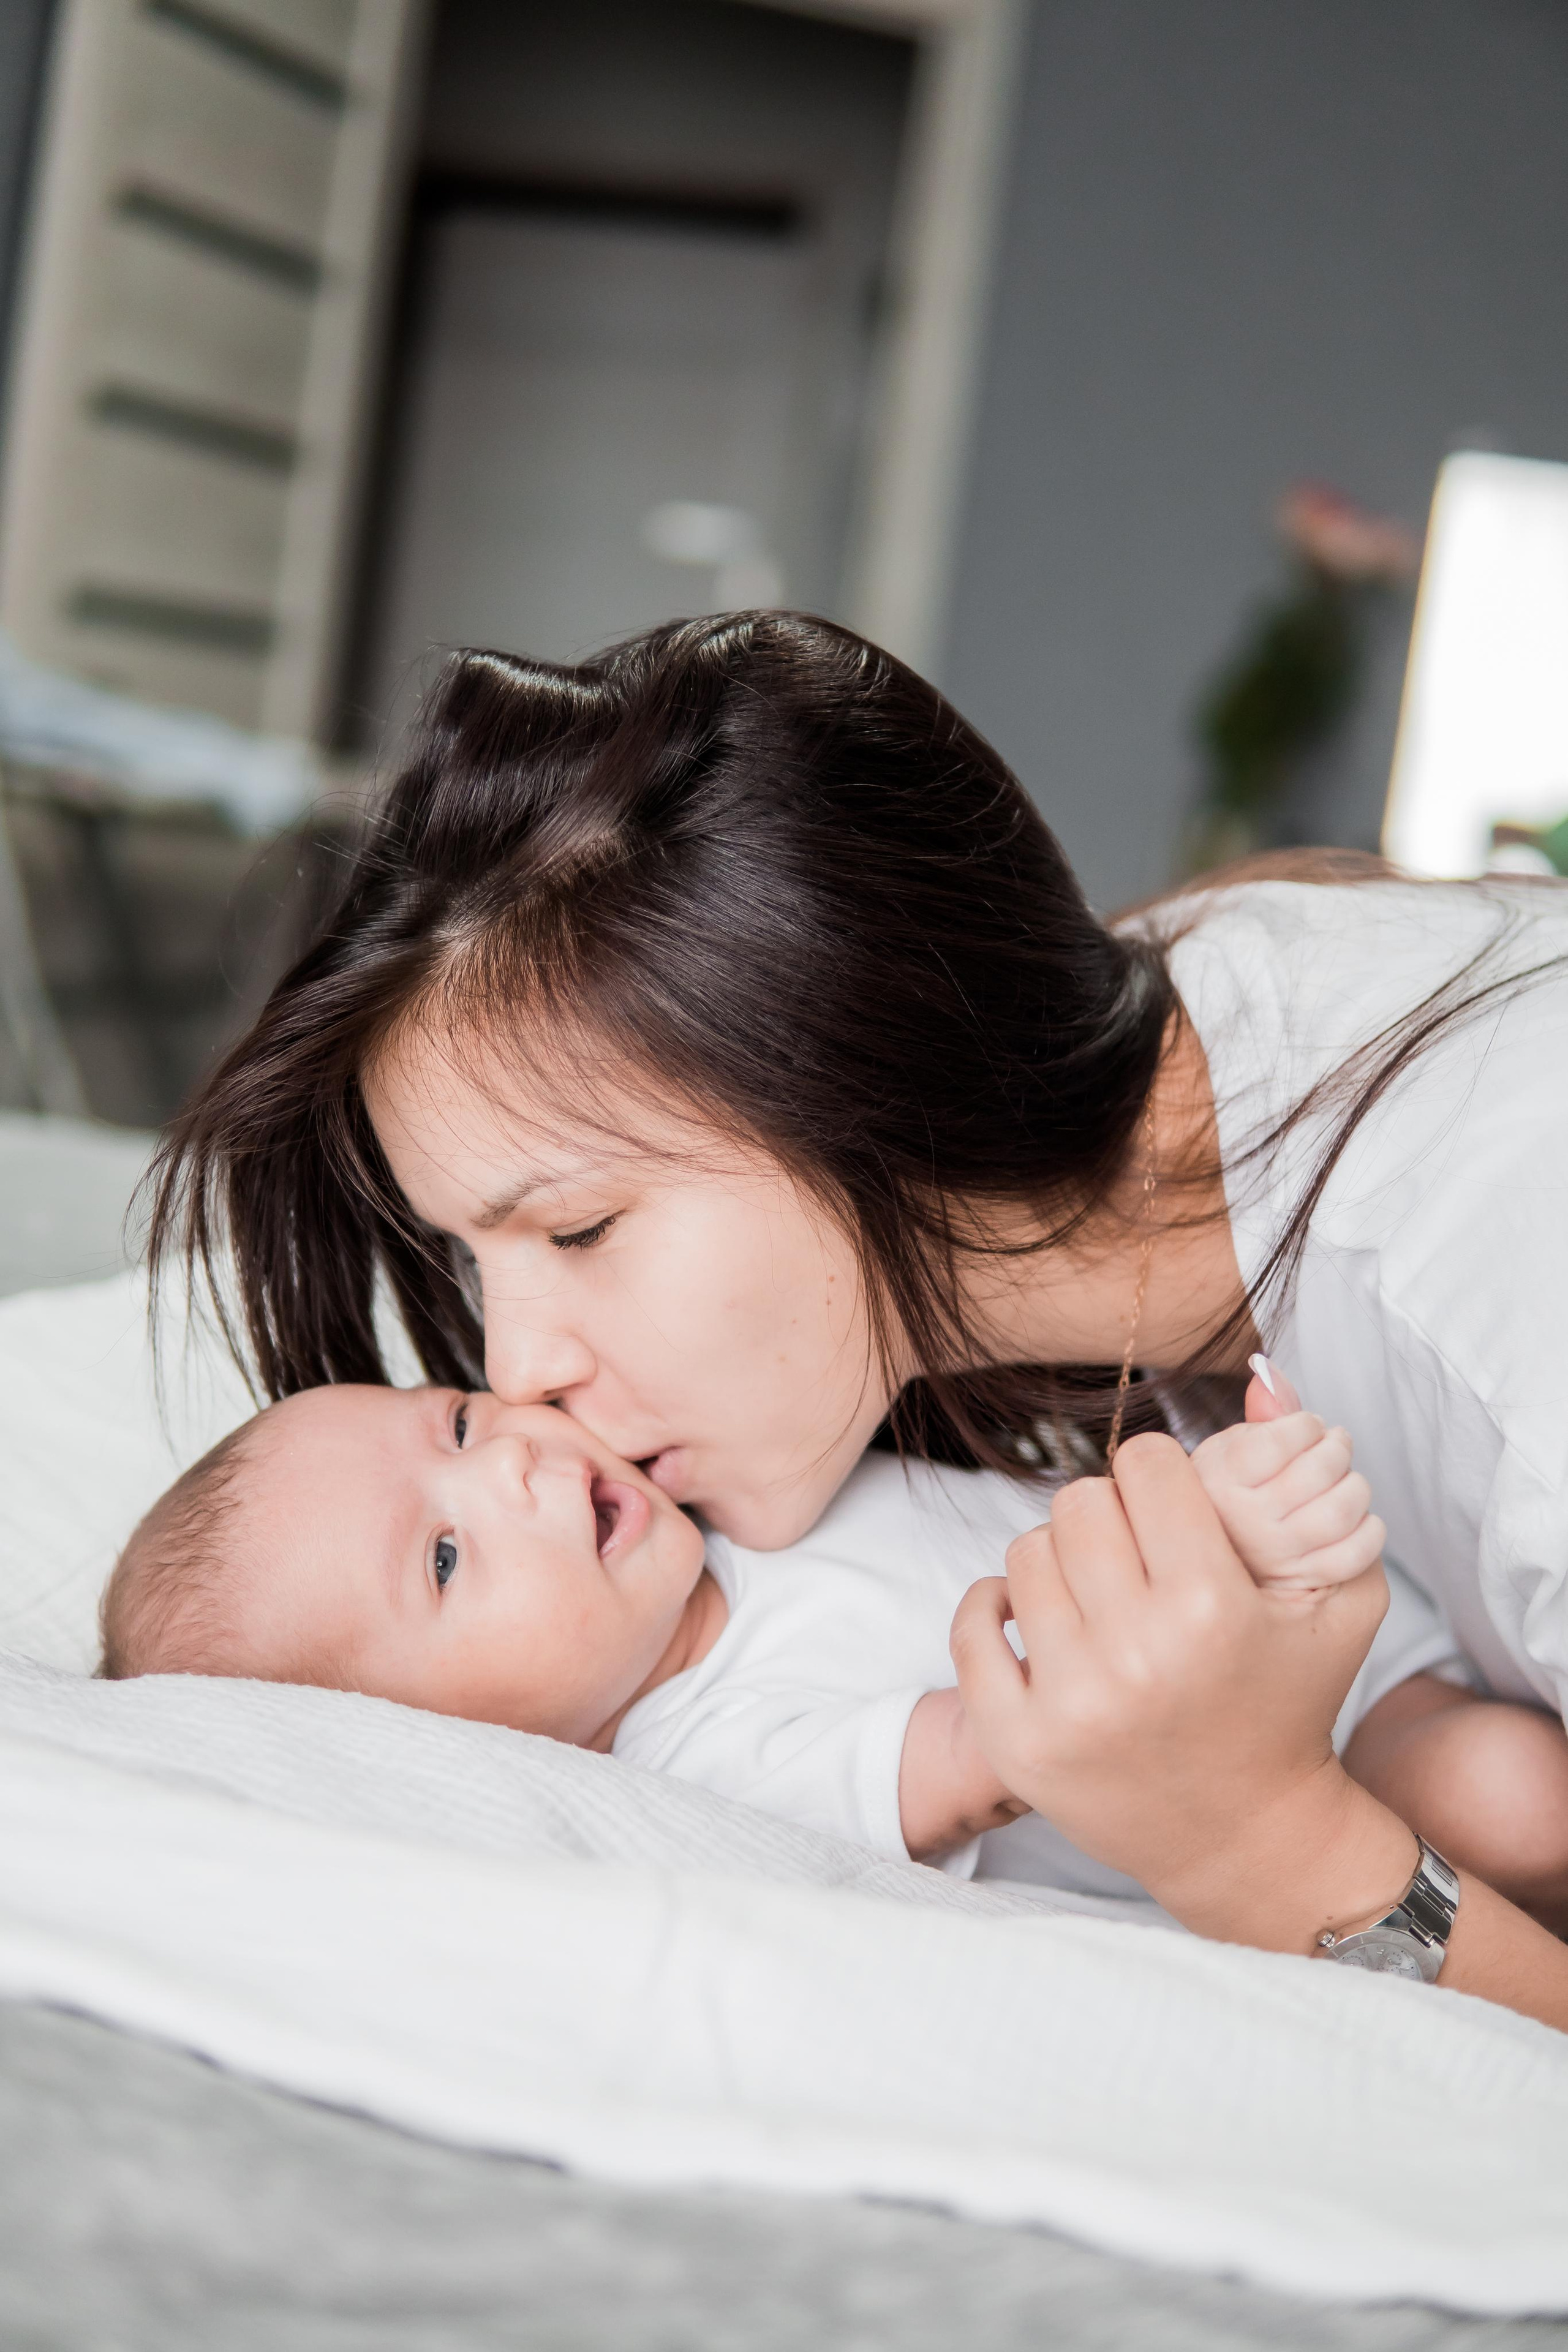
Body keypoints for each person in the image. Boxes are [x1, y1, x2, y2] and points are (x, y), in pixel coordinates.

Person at [146, 613, 1568, 2025]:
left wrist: (1259, 1843)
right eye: (474, 1262)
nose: (520, 1372)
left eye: (579, 1228)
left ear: (865, 1073)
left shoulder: (1501, 1317)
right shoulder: (1175, 1022)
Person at [105, 1373, 1567, 1915]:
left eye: (460, 1424)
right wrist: (1208, 1536)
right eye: (443, 1558)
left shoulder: (718, 1486)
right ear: (453, 1744)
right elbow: (989, 1749)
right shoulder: (711, 1760)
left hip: (1318, 1577)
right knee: (1511, 1797)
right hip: (1323, 1745)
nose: (518, 1471)